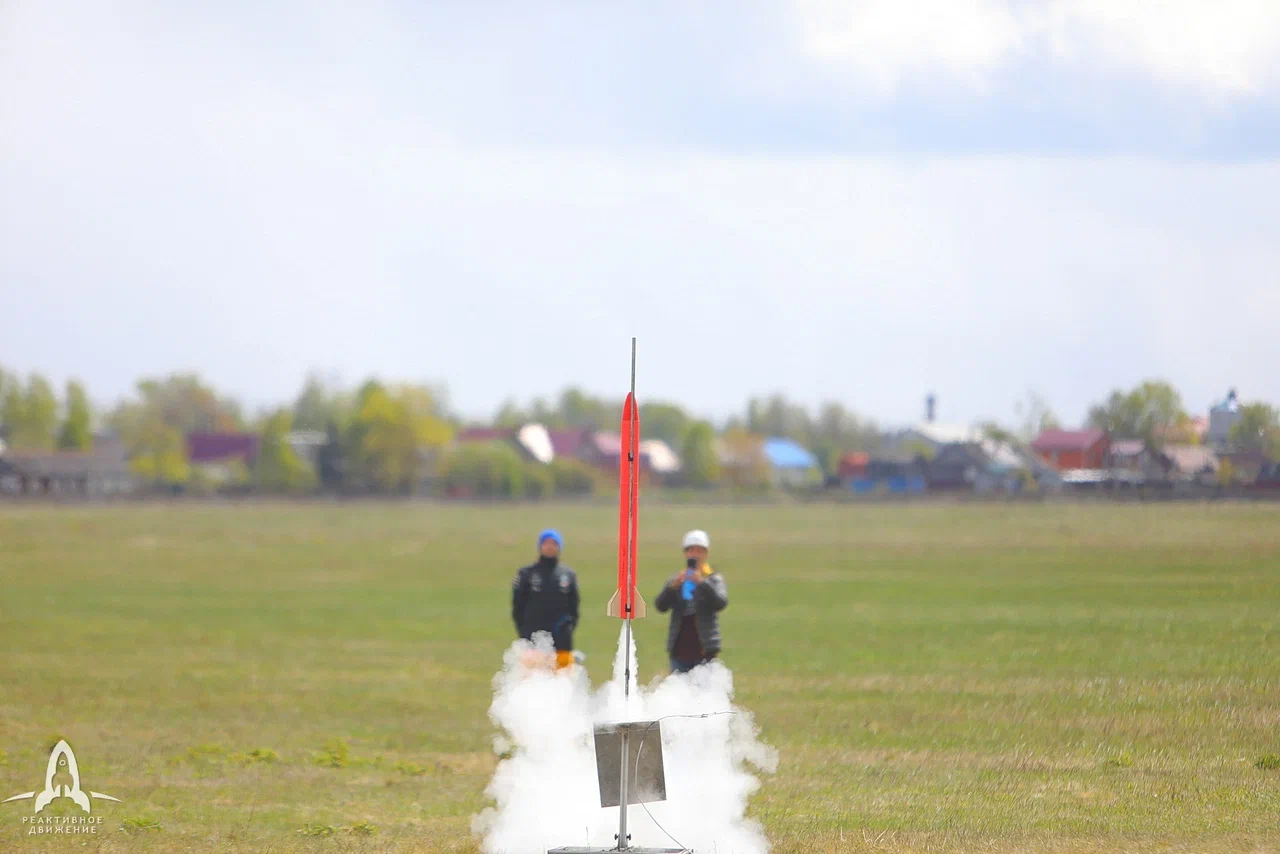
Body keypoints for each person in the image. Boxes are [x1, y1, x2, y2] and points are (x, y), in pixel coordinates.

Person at [655, 529, 728, 674]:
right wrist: (673, 587)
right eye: (691, 551)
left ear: (706, 553)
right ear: (685, 553)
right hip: (680, 651)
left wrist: (702, 583)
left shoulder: (713, 578)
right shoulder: (677, 579)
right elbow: (660, 606)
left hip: (705, 650)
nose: (695, 555)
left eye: (699, 551)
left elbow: (720, 602)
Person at [512, 529, 580, 670]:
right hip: (533, 637)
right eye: (546, 543)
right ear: (540, 546)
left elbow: (574, 606)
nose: (550, 547)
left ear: (559, 547)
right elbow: (517, 605)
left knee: (562, 678)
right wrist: (524, 631)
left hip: (561, 638)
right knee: (533, 677)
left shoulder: (568, 575)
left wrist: (567, 628)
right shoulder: (526, 574)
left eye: (554, 543)